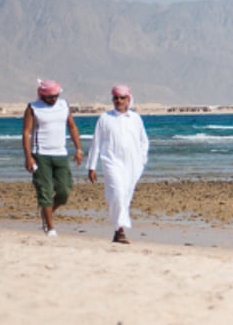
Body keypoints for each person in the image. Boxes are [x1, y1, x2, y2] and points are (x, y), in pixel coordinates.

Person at [87, 84, 149, 244]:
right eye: (116, 98)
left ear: (128, 99)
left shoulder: (136, 119)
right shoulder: (105, 118)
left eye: (122, 98)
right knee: (117, 193)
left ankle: (117, 231)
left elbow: (144, 141)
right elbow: (96, 143)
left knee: (125, 195)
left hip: (132, 164)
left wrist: (142, 160)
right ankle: (120, 229)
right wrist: (91, 166)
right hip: (111, 161)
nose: (119, 101)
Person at [22, 79, 83, 237]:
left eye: (56, 95)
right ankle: (50, 227)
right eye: (50, 96)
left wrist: (78, 149)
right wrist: (28, 157)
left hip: (60, 154)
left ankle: (46, 212)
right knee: (45, 191)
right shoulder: (33, 108)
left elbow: (72, 126)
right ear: (42, 95)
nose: (53, 99)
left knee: (64, 190)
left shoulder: (63, 106)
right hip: (40, 154)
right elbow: (26, 133)